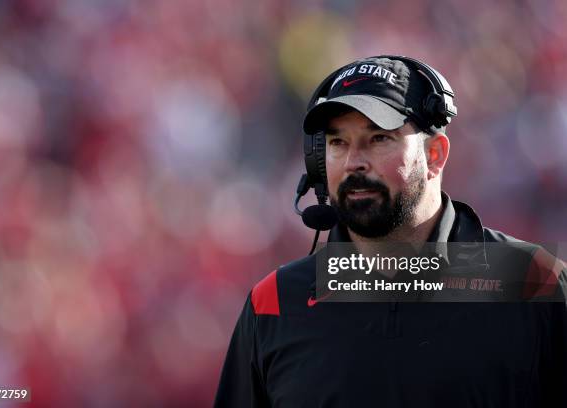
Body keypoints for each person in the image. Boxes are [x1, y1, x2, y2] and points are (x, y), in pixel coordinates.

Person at [214, 56, 566, 407]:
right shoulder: (273, 303)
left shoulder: (535, 284)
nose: (354, 162)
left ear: (435, 155)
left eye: (379, 138)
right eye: (338, 143)